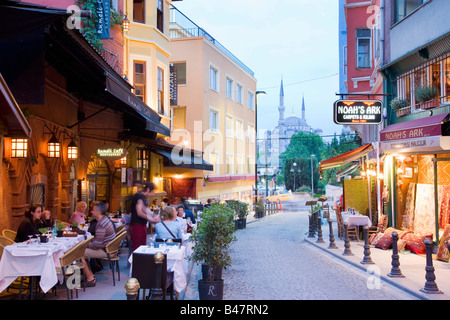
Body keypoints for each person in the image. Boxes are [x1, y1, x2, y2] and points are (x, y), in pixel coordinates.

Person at [80, 201, 116, 287]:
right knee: (84, 252)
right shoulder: (106, 220)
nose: (91, 212)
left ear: (98, 211)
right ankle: (91, 276)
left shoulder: (101, 224)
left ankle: (90, 279)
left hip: (106, 251)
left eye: (93, 210)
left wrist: (84, 246)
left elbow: (97, 245)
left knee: (79, 254)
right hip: (110, 249)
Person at [129, 182, 160, 252]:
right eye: (153, 192)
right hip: (137, 224)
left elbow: (145, 210)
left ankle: (140, 262)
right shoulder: (138, 197)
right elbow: (139, 212)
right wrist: (151, 218)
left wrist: (152, 215)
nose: (153, 194)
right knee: (137, 247)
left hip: (142, 225)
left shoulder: (143, 197)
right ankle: (135, 262)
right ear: (148, 189)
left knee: (142, 246)